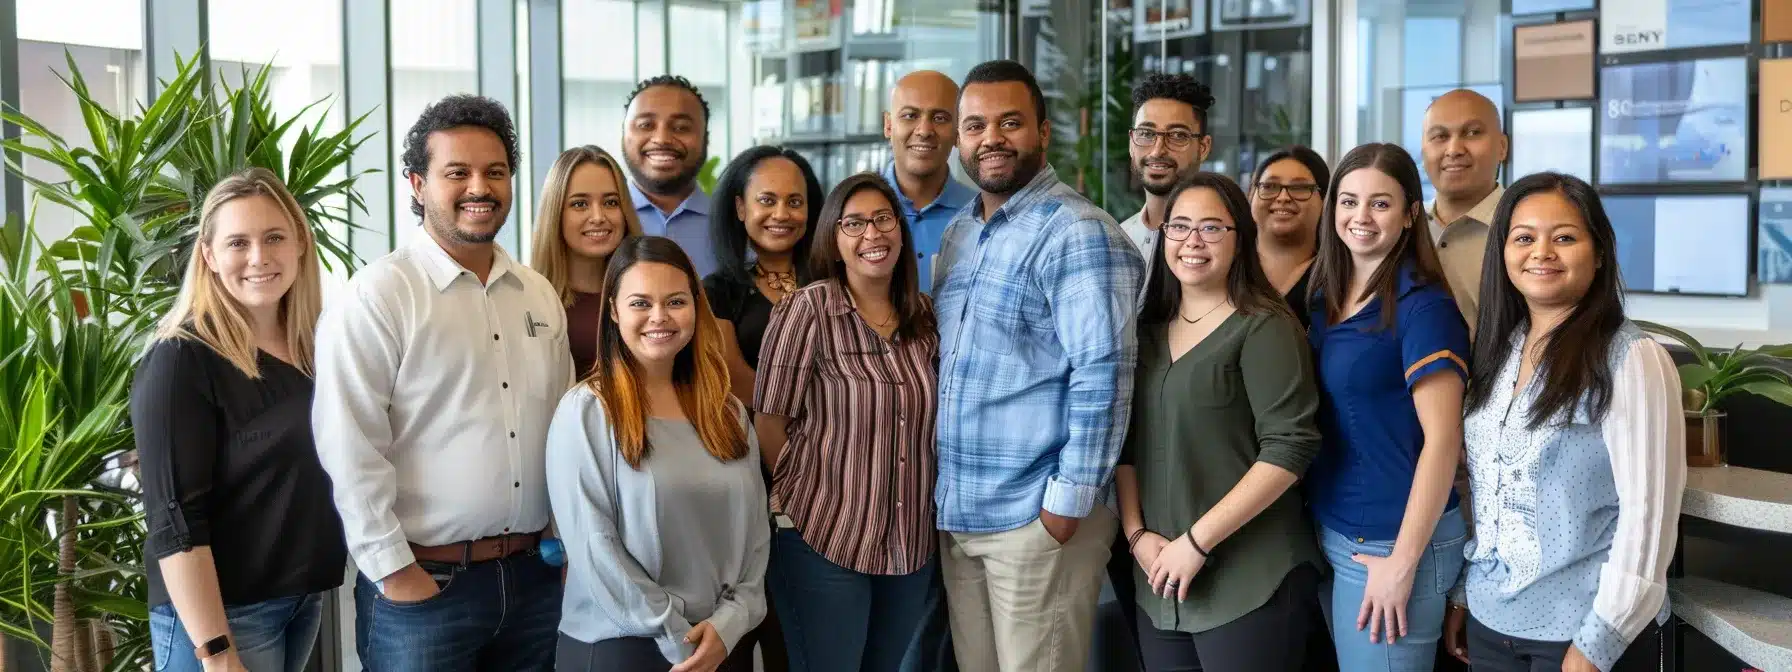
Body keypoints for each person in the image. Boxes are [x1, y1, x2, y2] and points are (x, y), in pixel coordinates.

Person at [312, 94, 571, 671]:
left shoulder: (537, 293)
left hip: (536, 581)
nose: (480, 187)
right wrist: (393, 569)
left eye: (495, 172)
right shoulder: (378, 295)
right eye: (457, 172)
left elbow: (562, 430)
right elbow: (349, 446)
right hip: (426, 587)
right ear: (416, 183)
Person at [932, 59, 1145, 672]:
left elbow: (1104, 377)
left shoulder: (1079, 232)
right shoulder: (959, 235)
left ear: (1043, 133)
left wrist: (1065, 506)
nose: (990, 138)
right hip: (962, 513)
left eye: (1009, 122)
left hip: (1036, 519)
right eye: (975, 125)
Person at [1443, 173, 1685, 672]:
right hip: (1492, 624)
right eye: (1524, 237)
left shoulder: (1632, 358)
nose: (1542, 252)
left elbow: (1648, 516)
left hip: (1583, 633)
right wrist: (1468, 594)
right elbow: (1492, 493)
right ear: (1503, 252)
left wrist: (1598, 643)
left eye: (1565, 237)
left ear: (1599, 254)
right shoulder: (1500, 349)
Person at [137, 168, 344, 672]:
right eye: (237, 242)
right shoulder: (180, 358)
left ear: (300, 243)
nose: (259, 257)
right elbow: (174, 521)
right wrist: (215, 650)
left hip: (299, 600)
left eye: (274, 237)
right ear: (208, 255)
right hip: (222, 620)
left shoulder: (316, 349)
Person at [1117, 173, 1325, 672]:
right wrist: (1137, 536)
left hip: (1250, 578)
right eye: (1180, 226)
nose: (1192, 241)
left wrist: (1196, 542)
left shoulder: (1264, 326)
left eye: (1212, 228)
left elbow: (1289, 450)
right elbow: (1125, 447)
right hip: (1158, 578)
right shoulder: (1144, 332)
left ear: (1240, 239)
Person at [546, 236, 769, 672]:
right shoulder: (587, 411)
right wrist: (678, 637)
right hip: (622, 646)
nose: (659, 317)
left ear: (695, 308)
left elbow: (757, 540)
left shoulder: (726, 412)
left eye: (676, 301)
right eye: (640, 303)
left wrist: (729, 624)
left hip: (722, 645)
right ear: (613, 311)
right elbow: (594, 550)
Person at [753, 173, 943, 671]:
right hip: (824, 536)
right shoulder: (807, 309)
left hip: (908, 545)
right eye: (853, 223)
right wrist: (802, 497)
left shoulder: (925, 318)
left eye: (883, 219)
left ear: (901, 231)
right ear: (834, 242)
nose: (872, 235)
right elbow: (769, 419)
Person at [1304, 143, 1470, 672]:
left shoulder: (1425, 308)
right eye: (1348, 201)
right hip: (1335, 529)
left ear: (1409, 214)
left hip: (1392, 542)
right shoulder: (1325, 295)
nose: (1360, 217)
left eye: (1380, 204)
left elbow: (1444, 442)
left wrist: (1402, 563)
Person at [704, 145, 823, 404]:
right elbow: (735, 380)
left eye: (794, 202)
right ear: (740, 207)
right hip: (755, 437)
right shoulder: (718, 291)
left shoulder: (834, 282)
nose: (781, 214)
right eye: (767, 200)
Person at [530, 145, 645, 377]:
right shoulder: (528, 298)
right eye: (580, 204)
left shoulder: (648, 294)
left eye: (611, 202)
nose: (598, 217)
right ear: (555, 214)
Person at [880, 69, 977, 294]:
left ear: (958, 132)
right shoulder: (849, 213)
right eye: (910, 115)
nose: (924, 131)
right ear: (888, 125)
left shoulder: (983, 216)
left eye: (940, 118)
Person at [1420, 89, 1508, 334]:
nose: (1454, 149)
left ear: (1502, 147)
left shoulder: (1526, 230)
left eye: (1472, 133)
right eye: (1439, 136)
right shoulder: (1402, 226)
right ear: (1423, 149)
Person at [623, 75, 718, 276]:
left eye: (681, 128)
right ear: (623, 135)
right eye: (646, 125)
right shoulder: (599, 223)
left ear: (705, 139)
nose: (662, 139)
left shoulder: (733, 226)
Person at [1119, 73, 1215, 270]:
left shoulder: (1220, 239)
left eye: (1177, 135)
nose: (1157, 150)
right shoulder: (1119, 240)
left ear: (1203, 147)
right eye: (1146, 134)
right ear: (1131, 143)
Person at [1251, 146, 1331, 328]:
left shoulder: (1340, 278)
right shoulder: (1225, 267)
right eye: (1269, 186)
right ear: (1251, 195)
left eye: (1300, 188)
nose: (1283, 197)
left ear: (1325, 200)